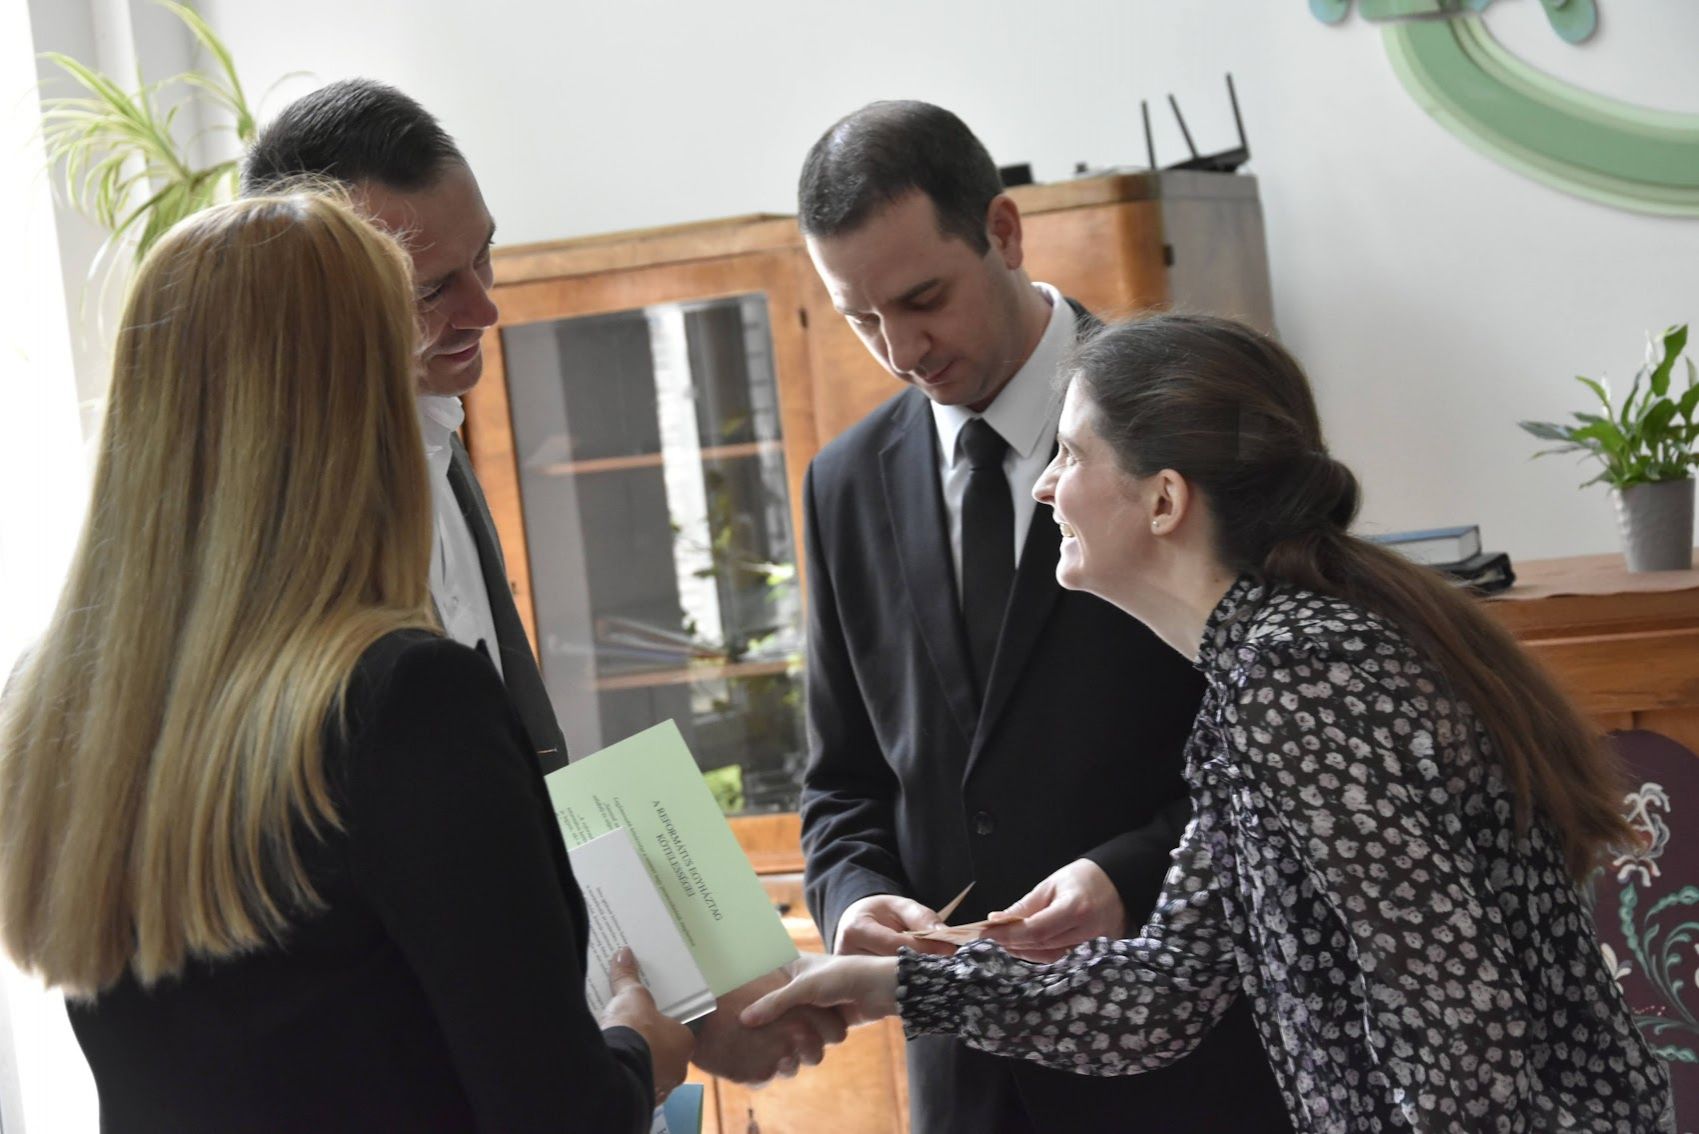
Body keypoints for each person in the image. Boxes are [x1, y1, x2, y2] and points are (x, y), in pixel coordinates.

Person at [745, 313, 1678, 1133]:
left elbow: (1456, 1038)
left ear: (1164, 499)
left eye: (1070, 454)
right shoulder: (1261, 673)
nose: (1044, 486)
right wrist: (897, 986)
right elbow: (1161, 994)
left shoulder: (1298, 678)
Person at [0, 192, 694, 1132]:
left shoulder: (52, 700)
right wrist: (638, 1052)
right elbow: (555, 1114)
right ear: (356, 409)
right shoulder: (405, 703)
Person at [241, 79, 844, 1085]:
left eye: (484, 255)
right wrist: (624, 1061)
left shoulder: (440, 440)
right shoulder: (285, 548)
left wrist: (688, 998)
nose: (486, 307)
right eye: (432, 288)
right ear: (319, 297)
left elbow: (518, 803)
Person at [793, 101, 1286, 1132]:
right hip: (967, 1081)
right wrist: (853, 897)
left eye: (923, 299)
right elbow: (842, 780)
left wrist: (1126, 875)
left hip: (1195, 1063)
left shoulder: (1186, 418)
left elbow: (1280, 748)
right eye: (860, 319)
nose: (902, 349)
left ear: (1004, 232)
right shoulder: (842, 481)